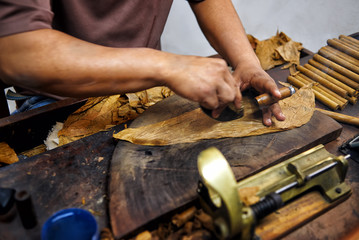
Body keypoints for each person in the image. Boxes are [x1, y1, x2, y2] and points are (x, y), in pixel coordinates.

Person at [0, 0, 285, 126]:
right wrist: (168, 66)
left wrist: (246, 61)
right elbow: (16, 51)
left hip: (148, 88)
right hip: (59, 102)